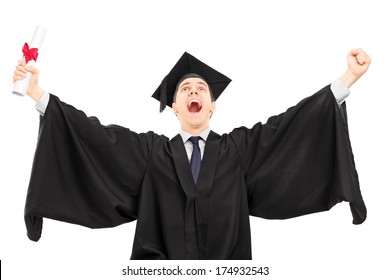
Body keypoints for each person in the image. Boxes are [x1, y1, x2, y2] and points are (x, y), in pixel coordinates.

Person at [13, 49, 370, 260]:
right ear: (175, 106)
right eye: (185, 89)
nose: (193, 92)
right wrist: (38, 93)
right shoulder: (151, 153)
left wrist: (346, 79)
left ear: (211, 106)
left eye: (201, 89)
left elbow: (290, 126)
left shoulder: (239, 151)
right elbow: (96, 137)